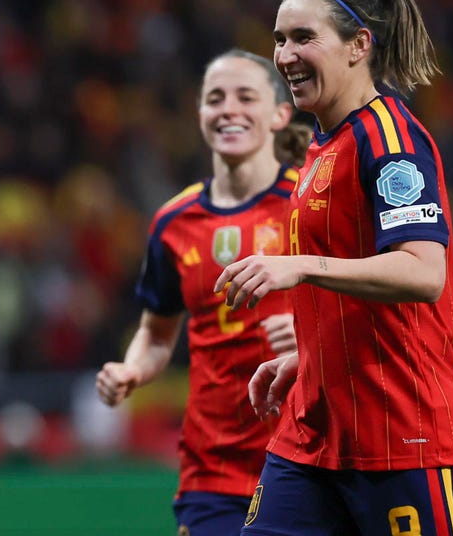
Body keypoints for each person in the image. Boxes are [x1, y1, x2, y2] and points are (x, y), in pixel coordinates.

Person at [217, 0, 453, 536]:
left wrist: (298, 267)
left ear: (358, 45)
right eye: (280, 39)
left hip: (404, 437)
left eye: (304, 37)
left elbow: (421, 271)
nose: (285, 55)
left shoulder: (390, 137)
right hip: (314, 437)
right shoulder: (323, 147)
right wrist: (311, 357)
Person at [96, 49, 307, 535]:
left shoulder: (308, 202)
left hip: (306, 451)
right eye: (216, 99)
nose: (229, 108)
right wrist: (132, 369)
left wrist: (310, 334)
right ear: (200, 116)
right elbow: (156, 334)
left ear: (279, 114)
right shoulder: (173, 222)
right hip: (213, 467)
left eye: (245, 97)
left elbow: (368, 304)